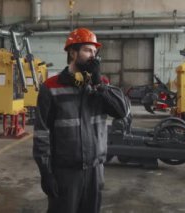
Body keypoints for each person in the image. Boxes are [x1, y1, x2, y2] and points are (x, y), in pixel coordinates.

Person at [33, 28, 129, 213]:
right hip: (65, 172)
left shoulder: (101, 85)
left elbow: (121, 111)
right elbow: (42, 134)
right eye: (87, 50)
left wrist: (99, 84)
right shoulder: (51, 87)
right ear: (72, 52)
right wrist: (46, 173)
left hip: (95, 171)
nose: (92, 56)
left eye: (95, 52)